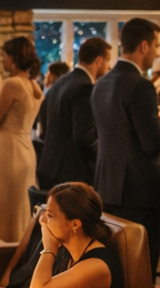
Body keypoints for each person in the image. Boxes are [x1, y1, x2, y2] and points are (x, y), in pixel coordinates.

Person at [92, 18, 160, 274]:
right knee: (141, 268)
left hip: (107, 187)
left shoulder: (100, 84)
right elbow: (152, 142)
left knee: (114, 266)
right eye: (157, 46)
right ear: (144, 46)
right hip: (140, 192)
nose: (158, 53)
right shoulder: (141, 85)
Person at [15, 182, 124, 288]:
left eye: (50, 215)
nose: (42, 219)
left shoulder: (97, 267)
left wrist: (49, 249)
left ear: (75, 224)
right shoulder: (67, 248)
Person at [0, 36, 44, 242]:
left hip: (10, 152)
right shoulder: (33, 85)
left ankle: (5, 253)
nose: (2, 60)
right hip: (24, 147)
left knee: (5, 207)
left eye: (4, 55)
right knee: (19, 207)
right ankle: (20, 246)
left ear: (15, 58)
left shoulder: (13, 83)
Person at [37, 37, 111, 190]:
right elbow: (84, 136)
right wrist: (106, 157)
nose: (108, 66)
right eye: (108, 60)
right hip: (71, 172)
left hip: (49, 164)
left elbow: (43, 119)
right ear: (99, 60)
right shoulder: (85, 87)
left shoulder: (60, 82)